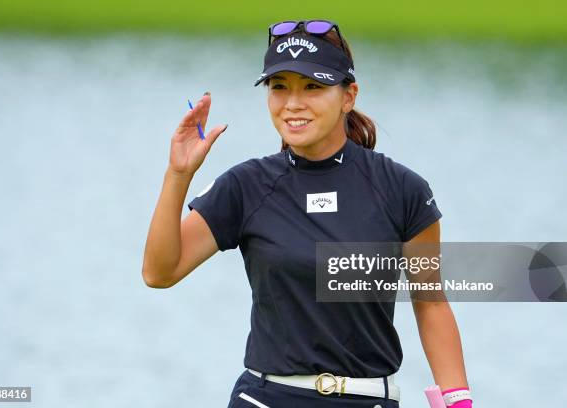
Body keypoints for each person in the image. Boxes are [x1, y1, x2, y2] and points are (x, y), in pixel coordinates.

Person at [142, 19, 472, 408]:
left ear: (348, 96)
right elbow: (160, 272)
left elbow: (430, 302)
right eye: (279, 87)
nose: (293, 104)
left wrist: (457, 401)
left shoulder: (402, 190)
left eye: (313, 87)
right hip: (265, 398)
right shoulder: (247, 187)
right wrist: (178, 174)